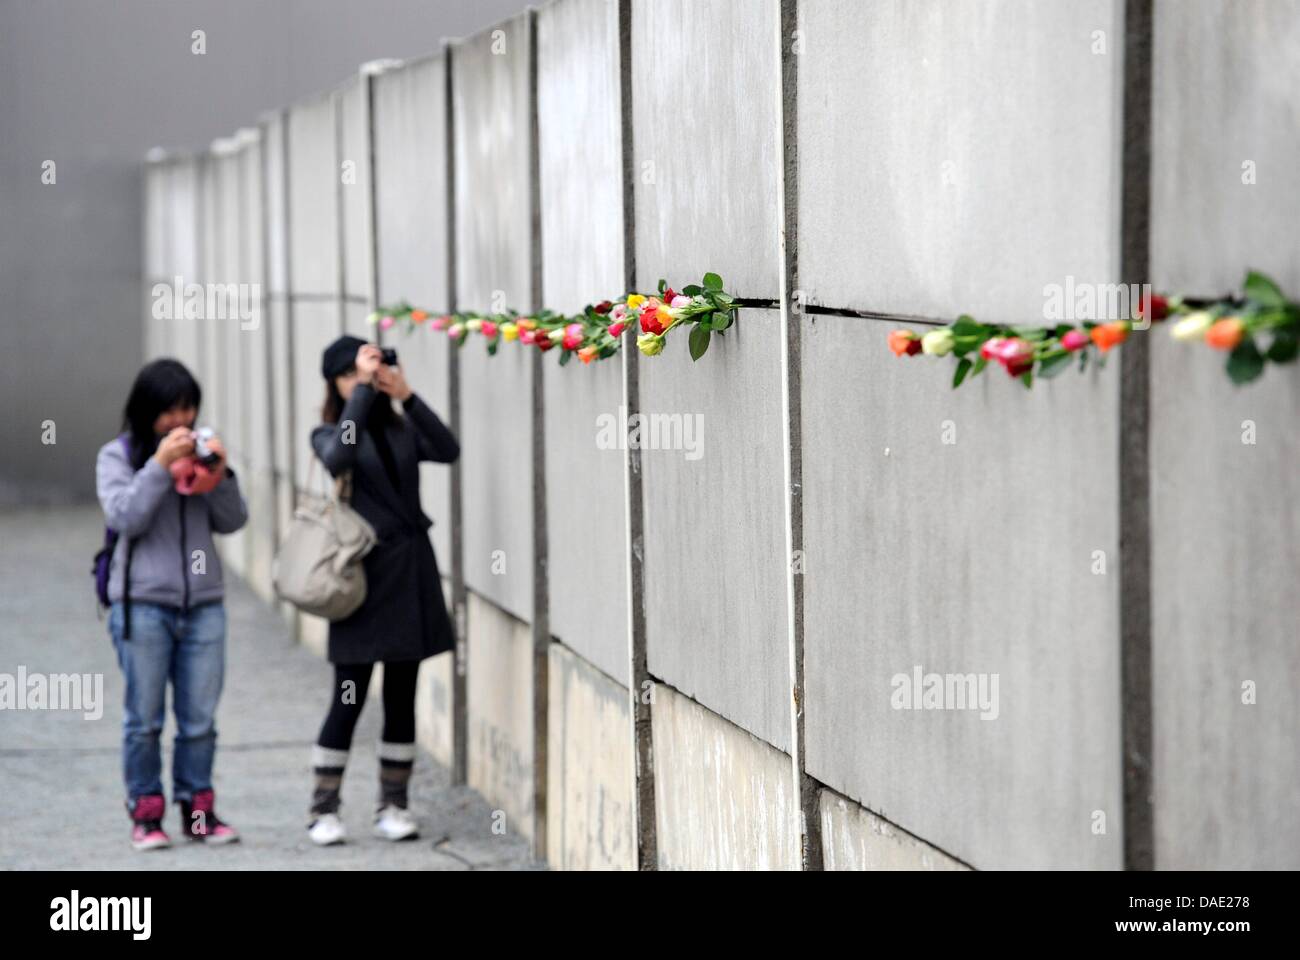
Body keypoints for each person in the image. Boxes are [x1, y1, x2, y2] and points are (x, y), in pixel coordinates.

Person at [307, 335, 459, 845]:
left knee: (401, 697)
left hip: (410, 575)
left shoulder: (400, 428)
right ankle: (323, 808)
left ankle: (394, 804)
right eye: (354, 372)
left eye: (370, 368)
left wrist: (407, 393)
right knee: (347, 698)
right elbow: (339, 459)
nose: (366, 378)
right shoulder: (329, 430)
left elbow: (447, 448)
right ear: (337, 382)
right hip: (359, 582)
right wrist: (361, 396)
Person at [95, 358, 249, 851]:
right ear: (148, 412)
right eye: (170, 411)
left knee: (200, 719)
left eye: (188, 409)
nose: (181, 420)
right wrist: (160, 466)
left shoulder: (201, 453)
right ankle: (145, 814)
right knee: (144, 719)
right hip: (142, 605)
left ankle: (199, 816)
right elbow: (126, 516)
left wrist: (219, 473)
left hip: (203, 603)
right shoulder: (117, 457)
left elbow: (233, 520)